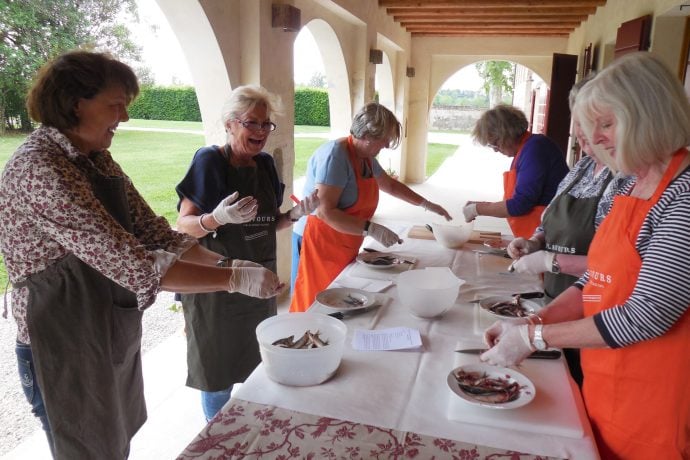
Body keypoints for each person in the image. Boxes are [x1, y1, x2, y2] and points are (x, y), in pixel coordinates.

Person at [0, 50, 283, 459]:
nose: (125, 118)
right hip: (61, 338)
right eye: (116, 105)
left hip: (103, 325)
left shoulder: (97, 159)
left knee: (116, 441)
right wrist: (233, 279)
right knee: (87, 448)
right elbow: (135, 265)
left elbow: (157, 235)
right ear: (75, 102)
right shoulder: (41, 168)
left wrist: (228, 262)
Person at [480, 52, 690, 459]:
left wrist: (533, 338)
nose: (595, 139)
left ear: (651, 114)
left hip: (656, 402)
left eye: (607, 124)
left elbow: (648, 313)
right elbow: (596, 278)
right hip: (604, 381)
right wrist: (532, 321)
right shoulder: (628, 185)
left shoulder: (683, 195)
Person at [175, 85, 318, 421]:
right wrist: (216, 218)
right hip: (218, 286)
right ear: (229, 124)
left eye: (265, 124)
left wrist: (295, 216)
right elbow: (183, 227)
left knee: (257, 364)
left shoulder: (266, 164)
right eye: (251, 123)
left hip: (258, 284)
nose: (260, 132)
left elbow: (269, 223)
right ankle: (218, 440)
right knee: (217, 376)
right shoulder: (209, 161)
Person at [505, 77, 635, 386]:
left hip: (595, 315)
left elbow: (615, 269)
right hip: (561, 301)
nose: (588, 145)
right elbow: (550, 216)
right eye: (581, 136)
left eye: (596, 131)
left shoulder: (627, 179)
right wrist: (536, 242)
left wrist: (553, 262)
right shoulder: (581, 169)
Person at [290, 102, 452, 311]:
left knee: (339, 300)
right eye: (384, 140)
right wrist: (371, 228)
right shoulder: (336, 156)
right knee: (314, 303)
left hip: (343, 240)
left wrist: (426, 204)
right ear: (367, 135)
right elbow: (324, 212)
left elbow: (390, 185)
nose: (385, 146)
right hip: (317, 242)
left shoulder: (365, 157)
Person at [464, 104, 569, 239]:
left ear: (506, 134)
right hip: (538, 232)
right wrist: (479, 205)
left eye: (495, 143)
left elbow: (521, 204)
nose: (495, 149)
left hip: (551, 232)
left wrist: (477, 209)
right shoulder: (525, 150)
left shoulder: (535, 149)